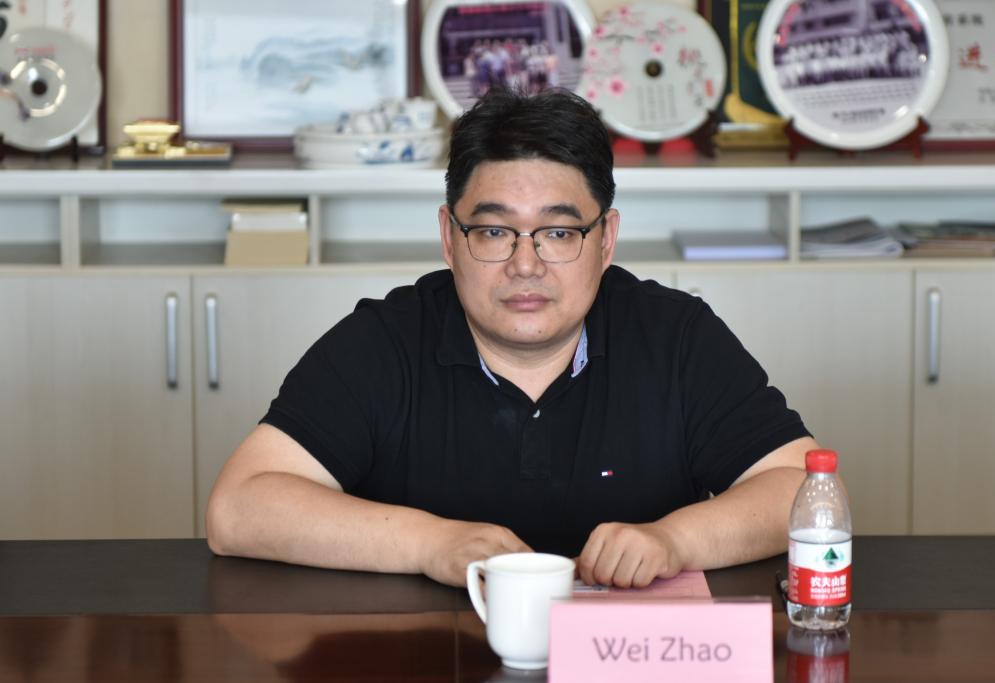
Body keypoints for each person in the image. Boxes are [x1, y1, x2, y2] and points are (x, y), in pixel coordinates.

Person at [206, 87, 819, 589]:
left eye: (558, 234)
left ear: (606, 240)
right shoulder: (383, 342)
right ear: (450, 238)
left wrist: (674, 540)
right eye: (495, 232)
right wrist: (430, 543)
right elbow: (238, 510)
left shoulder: (676, 337)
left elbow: (805, 489)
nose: (526, 266)